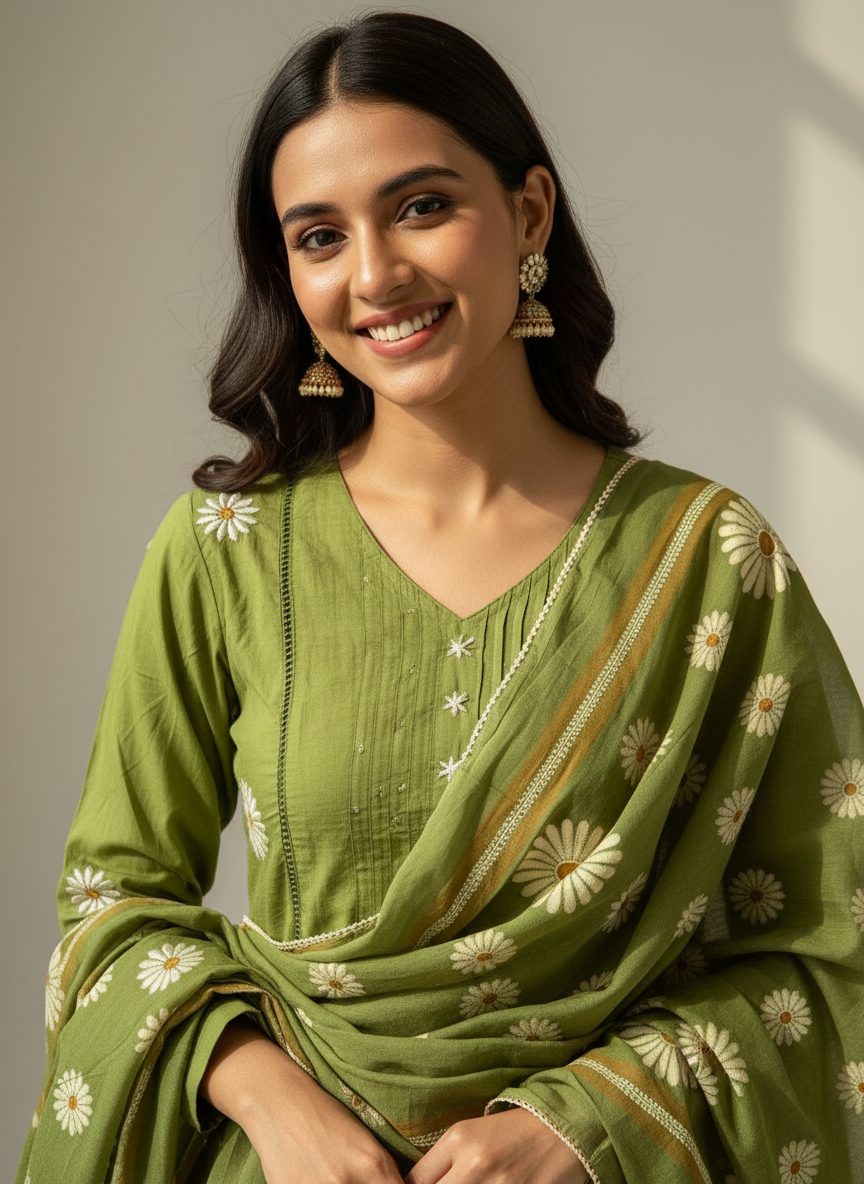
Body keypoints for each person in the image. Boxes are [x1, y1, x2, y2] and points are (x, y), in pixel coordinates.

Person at [17, 11, 863, 1184]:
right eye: (320, 235)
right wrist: (276, 1102)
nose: (375, 274)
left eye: (421, 206)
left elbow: (829, 946)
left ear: (528, 216)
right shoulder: (225, 551)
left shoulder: (706, 559)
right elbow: (113, 905)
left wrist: (591, 1116)